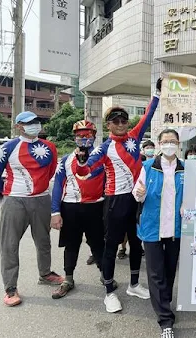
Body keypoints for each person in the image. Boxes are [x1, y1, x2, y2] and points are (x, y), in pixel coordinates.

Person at [74, 78, 162, 313]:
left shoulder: (134, 136)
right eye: (116, 121)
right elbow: (85, 170)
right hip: (114, 201)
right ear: (109, 125)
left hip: (137, 199)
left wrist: (157, 94)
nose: (121, 123)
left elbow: (148, 116)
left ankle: (134, 284)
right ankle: (109, 292)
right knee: (111, 245)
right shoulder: (103, 148)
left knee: (136, 243)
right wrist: (81, 160)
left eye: (124, 120)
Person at [0, 111, 64, 306]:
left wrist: (38, 190)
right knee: (10, 245)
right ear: (18, 126)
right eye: (29, 123)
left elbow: (50, 172)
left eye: (37, 121)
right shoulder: (8, 148)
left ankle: (45, 273)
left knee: (43, 240)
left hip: (41, 200)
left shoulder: (49, 147)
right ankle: (10, 288)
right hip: (15, 201)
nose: (35, 125)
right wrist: (10, 192)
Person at [50, 120, 116, 299]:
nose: (83, 138)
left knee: (98, 244)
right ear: (74, 138)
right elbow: (58, 185)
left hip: (96, 206)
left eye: (87, 135)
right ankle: (68, 279)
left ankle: (105, 276)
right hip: (70, 207)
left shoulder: (103, 157)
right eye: (79, 135)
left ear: (94, 136)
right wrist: (55, 212)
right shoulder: (65, 160)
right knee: (71, 245)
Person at [133, 129, 185, 338]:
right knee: (155, 274)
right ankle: (165, 320)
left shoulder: (186, 169)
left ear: (178, 144)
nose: (169, 144)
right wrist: (139, 194)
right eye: (165, 141)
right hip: (152, 227)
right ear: (159, 144)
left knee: (170, 270)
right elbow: (137, 194)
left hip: (176, 228)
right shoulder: (148, 167)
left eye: (172, 141)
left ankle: (165, 302)